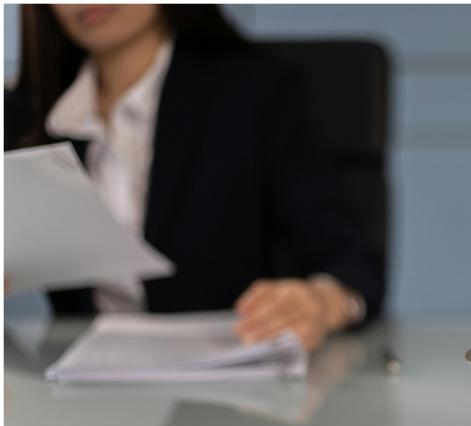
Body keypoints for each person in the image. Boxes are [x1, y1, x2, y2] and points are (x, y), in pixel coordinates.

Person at [5, 5, 385, 350]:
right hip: (75, 394)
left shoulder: (255, 92)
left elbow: (353, 263)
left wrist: (321, 302)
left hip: (227, 386)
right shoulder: (25, 118)